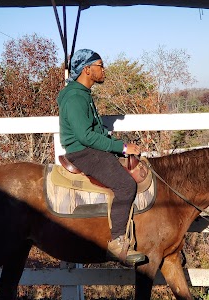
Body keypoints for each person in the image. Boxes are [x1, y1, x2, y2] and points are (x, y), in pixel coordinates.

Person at [56, 49, 145, 265]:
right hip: (83, 152)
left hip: (88, 148)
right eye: (100, 65)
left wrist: (118, 146)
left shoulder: (82, 93)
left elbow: (94, 131)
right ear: (87, 69)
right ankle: (116, 244)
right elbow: (85, 136)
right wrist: (122, 148)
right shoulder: (76, 97)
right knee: (125, 185)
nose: (104, 70)